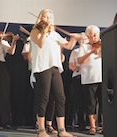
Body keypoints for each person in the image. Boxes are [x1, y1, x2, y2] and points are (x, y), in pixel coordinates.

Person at [30, 9, 80, 137]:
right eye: (45, 16)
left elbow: (68, 46)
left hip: (55, 67)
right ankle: (41, 130)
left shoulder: (54, 34)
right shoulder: (36, 31)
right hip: (42, 67)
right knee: (44, 97)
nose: (48, 19)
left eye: (50, 17)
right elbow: (40, 44)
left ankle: (62, 130)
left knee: (60, 97)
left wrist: (74, 39)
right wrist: (45, 29)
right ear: (41, 18)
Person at [22, 35, 65, 135]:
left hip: (52, 71)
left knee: (53, 99)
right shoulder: (32, 40)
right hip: (40, 72)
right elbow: (30, 58)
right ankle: (40, 126)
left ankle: (50, 124)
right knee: (42, 98)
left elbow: (61, 58)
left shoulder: (53, 41)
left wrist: (61, 46)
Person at [77, 25, 103, 135]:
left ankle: (104, 125)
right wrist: (91, 52)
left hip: (102, 78)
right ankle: (92, 126)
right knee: (90, 104)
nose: (95, 36)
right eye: (93, 34)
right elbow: (79, 61)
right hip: (89, 79)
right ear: (88, 36)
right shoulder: (84, 47)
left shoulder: (103, 45)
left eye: (97, 34)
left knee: (103, 104)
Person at [68, 32, 89, 130]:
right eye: (81, 40)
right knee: (80, 100)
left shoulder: (91, 50)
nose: (83, 41)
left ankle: (92, 123)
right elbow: (71, 65)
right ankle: (82, 122)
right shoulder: (75, 51)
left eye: (85, 39)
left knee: (90, 100)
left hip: (90, 77)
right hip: (78, 77)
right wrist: (75, 67)